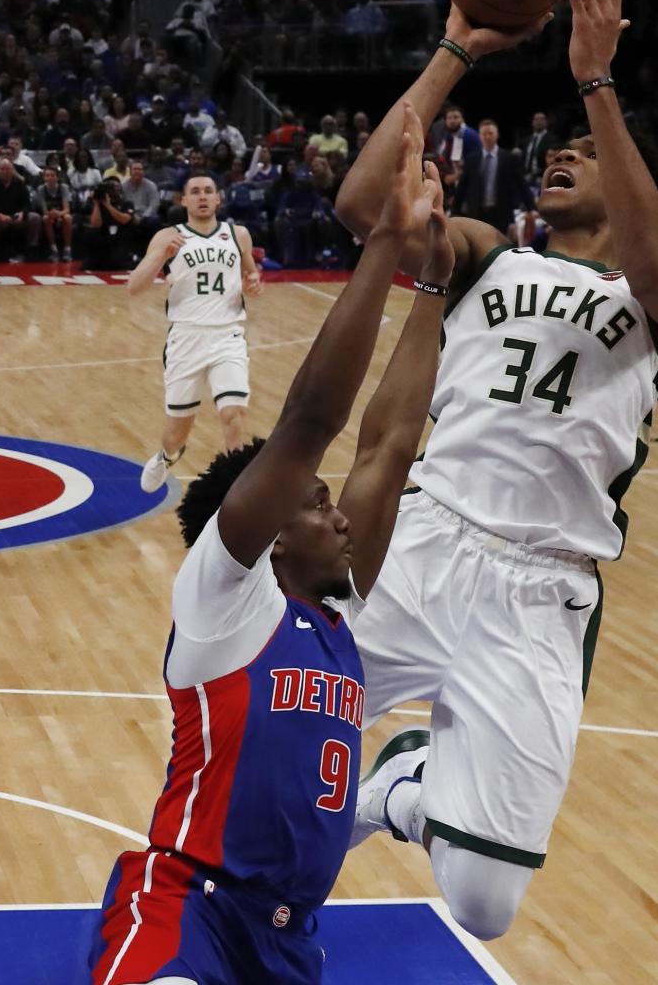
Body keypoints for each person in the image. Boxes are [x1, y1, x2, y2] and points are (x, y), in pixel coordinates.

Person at [335, 0, 658, 941]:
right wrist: (455, 48)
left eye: (581, 152)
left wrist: (597, 83)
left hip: (545, 586)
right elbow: (365, 204)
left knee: (484, 904)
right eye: (557, 145)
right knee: (283, 740)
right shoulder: (487, 256)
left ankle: (409, 789)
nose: (559, 153)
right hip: (424, 543)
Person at [89, 108, 454, 985]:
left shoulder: (336, 611)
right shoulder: (223, 598)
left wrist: (436, 283)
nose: (340, 519)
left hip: (291, 941)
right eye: (316, 504)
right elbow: (316, 422)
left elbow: (389, 445)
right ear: (265, 531)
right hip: (186, 910)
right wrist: (385, 250)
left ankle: (383, 797)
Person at [128, 173, 263, 493]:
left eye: (208, 191)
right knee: (176, 434)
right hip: (185, 339)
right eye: (195, 192)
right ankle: (166, 456)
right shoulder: (167, 237)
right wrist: (161, 256)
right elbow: (134, 286)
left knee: (233, 413)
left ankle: (236, 488)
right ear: (184, 201)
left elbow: (251, 275)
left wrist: (253, 283)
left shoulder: (238, 234)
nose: (202, 196)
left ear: (218, 199)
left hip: (227, 335)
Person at [451, 118, 536, 240]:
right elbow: (462, 186)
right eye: (484, 134)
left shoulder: (509, 158)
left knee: (499, 247)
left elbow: (521, 184)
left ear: (497, 135)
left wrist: (531, 208)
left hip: (501, 210)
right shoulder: (472, 159)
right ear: (479, 136)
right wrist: (455, 210)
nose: (487, 137)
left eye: (490, 133)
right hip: (476, 211)